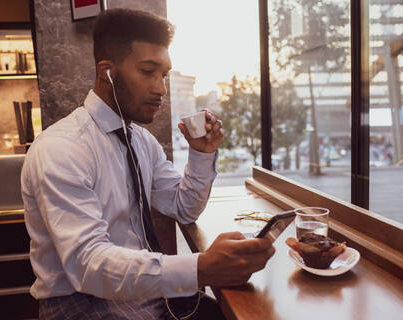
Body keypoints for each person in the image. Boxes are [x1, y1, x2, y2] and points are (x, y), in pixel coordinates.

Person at [21, 8, 275, 320]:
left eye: (164, 75)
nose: (160, 89)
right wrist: (202, 267)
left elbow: (183, 208)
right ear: (107, 72)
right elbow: (88, 265)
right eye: (147, 71)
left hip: (141, 292)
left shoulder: (141, 141)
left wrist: (201, 153)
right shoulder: (62, 148)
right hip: (80, 304)